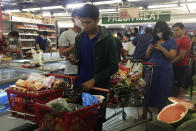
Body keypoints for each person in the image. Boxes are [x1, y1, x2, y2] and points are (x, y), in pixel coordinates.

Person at [69, 4, 118, 131]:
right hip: (81, 86)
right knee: (79, 121)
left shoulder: (108, 39)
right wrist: (74, 60)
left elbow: (113, 66)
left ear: (97, 20)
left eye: (88, 22)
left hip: (99, 88)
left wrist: (94, 79)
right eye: (82, 22)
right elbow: (79, 59)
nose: (84, 26)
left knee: (96, 122)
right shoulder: (80, 37)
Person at [143, 21, 177, 119]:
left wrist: (162, 49)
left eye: (160, 31)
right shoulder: (153, 40)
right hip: (152, 69)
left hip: (165, 70)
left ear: (165, 31)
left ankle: (160, 116)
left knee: (163, 92)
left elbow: (172, 56)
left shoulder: (171, 41)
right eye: (157, 30)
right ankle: (144, 114)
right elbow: (147, 55)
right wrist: (150, 48)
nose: (158, 32)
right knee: (148, 91)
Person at [58, 9, 82, 75]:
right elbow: (62, 53)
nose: (81, 20)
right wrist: (75, 45)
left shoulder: (87, 34)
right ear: (73, 20)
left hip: (86, 71)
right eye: (79, 18)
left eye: (82, 17)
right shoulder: (65, 34)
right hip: (72, 72)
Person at [172, 23, 191, 98]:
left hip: (181, 66)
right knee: (177, 86)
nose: (175, 32)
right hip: (175, 65)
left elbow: (181, 56)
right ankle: (177, 102)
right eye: (174, 30)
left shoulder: (185, 41)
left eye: (177, 30)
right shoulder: (176, 40)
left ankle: (176, 103)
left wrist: (171, 62)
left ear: (183, 30)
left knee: (178, 87)